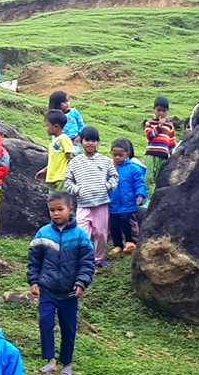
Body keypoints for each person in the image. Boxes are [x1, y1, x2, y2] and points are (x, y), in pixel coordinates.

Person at [27, 191, 93, 375]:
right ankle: (50, 360)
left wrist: (81, 282)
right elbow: (34, 260)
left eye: (60, 209)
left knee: (69, 327)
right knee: (45, 323)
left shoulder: (80, 236)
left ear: (71, 210)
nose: (55, 213)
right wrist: (34, 280)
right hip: (47, 290)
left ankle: (67, 362)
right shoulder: (43, 233)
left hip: (69, 292)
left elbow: (87, 262)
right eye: (52, 210)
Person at [63, 127, 117, 264]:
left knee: (101, 234)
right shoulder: (75, 162)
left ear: (98, 142)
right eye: (87, 140)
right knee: (83, 234)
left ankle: (98, 259)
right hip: (83, 205)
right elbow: (67, 181)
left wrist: (107, 186)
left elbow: (114, 176)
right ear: (81, 141)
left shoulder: (105, 161)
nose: (90, 144)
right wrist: (77, 190)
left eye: (93, 140)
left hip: (101, 204)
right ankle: (83, 260)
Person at [107, 138, 147, 255]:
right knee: (114, 224)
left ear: (127, 154)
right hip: (113, 203)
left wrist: (140, 195)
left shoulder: (133, 168)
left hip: (128, 202)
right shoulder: (108, 169)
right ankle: (118, 245)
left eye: (120, 155)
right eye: (115, 155)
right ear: (111, 153)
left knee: (126, 220)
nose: (117, 157)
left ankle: (130, 242)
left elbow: (139, 183)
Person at [143, 97, 177, 181]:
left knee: (160, 177)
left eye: (164, 111)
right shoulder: (150, 123)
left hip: (163, 156)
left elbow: (171, 142)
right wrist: (159, 126)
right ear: (154, 109)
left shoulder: (169, 125)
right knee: (148, 176)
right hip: (151, 154)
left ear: (167, 111)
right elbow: (149, 135)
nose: (161, 113)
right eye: (158, 110)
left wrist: (173, 154)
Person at [41, 108, 76, 186]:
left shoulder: (64, 138)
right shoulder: (54, 141)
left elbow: (70, 156)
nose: (46, 128)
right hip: (52, 179)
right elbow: (55, 160)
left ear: (56, 126)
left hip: (61, 178)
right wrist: (45, 170)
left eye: (47, 125)